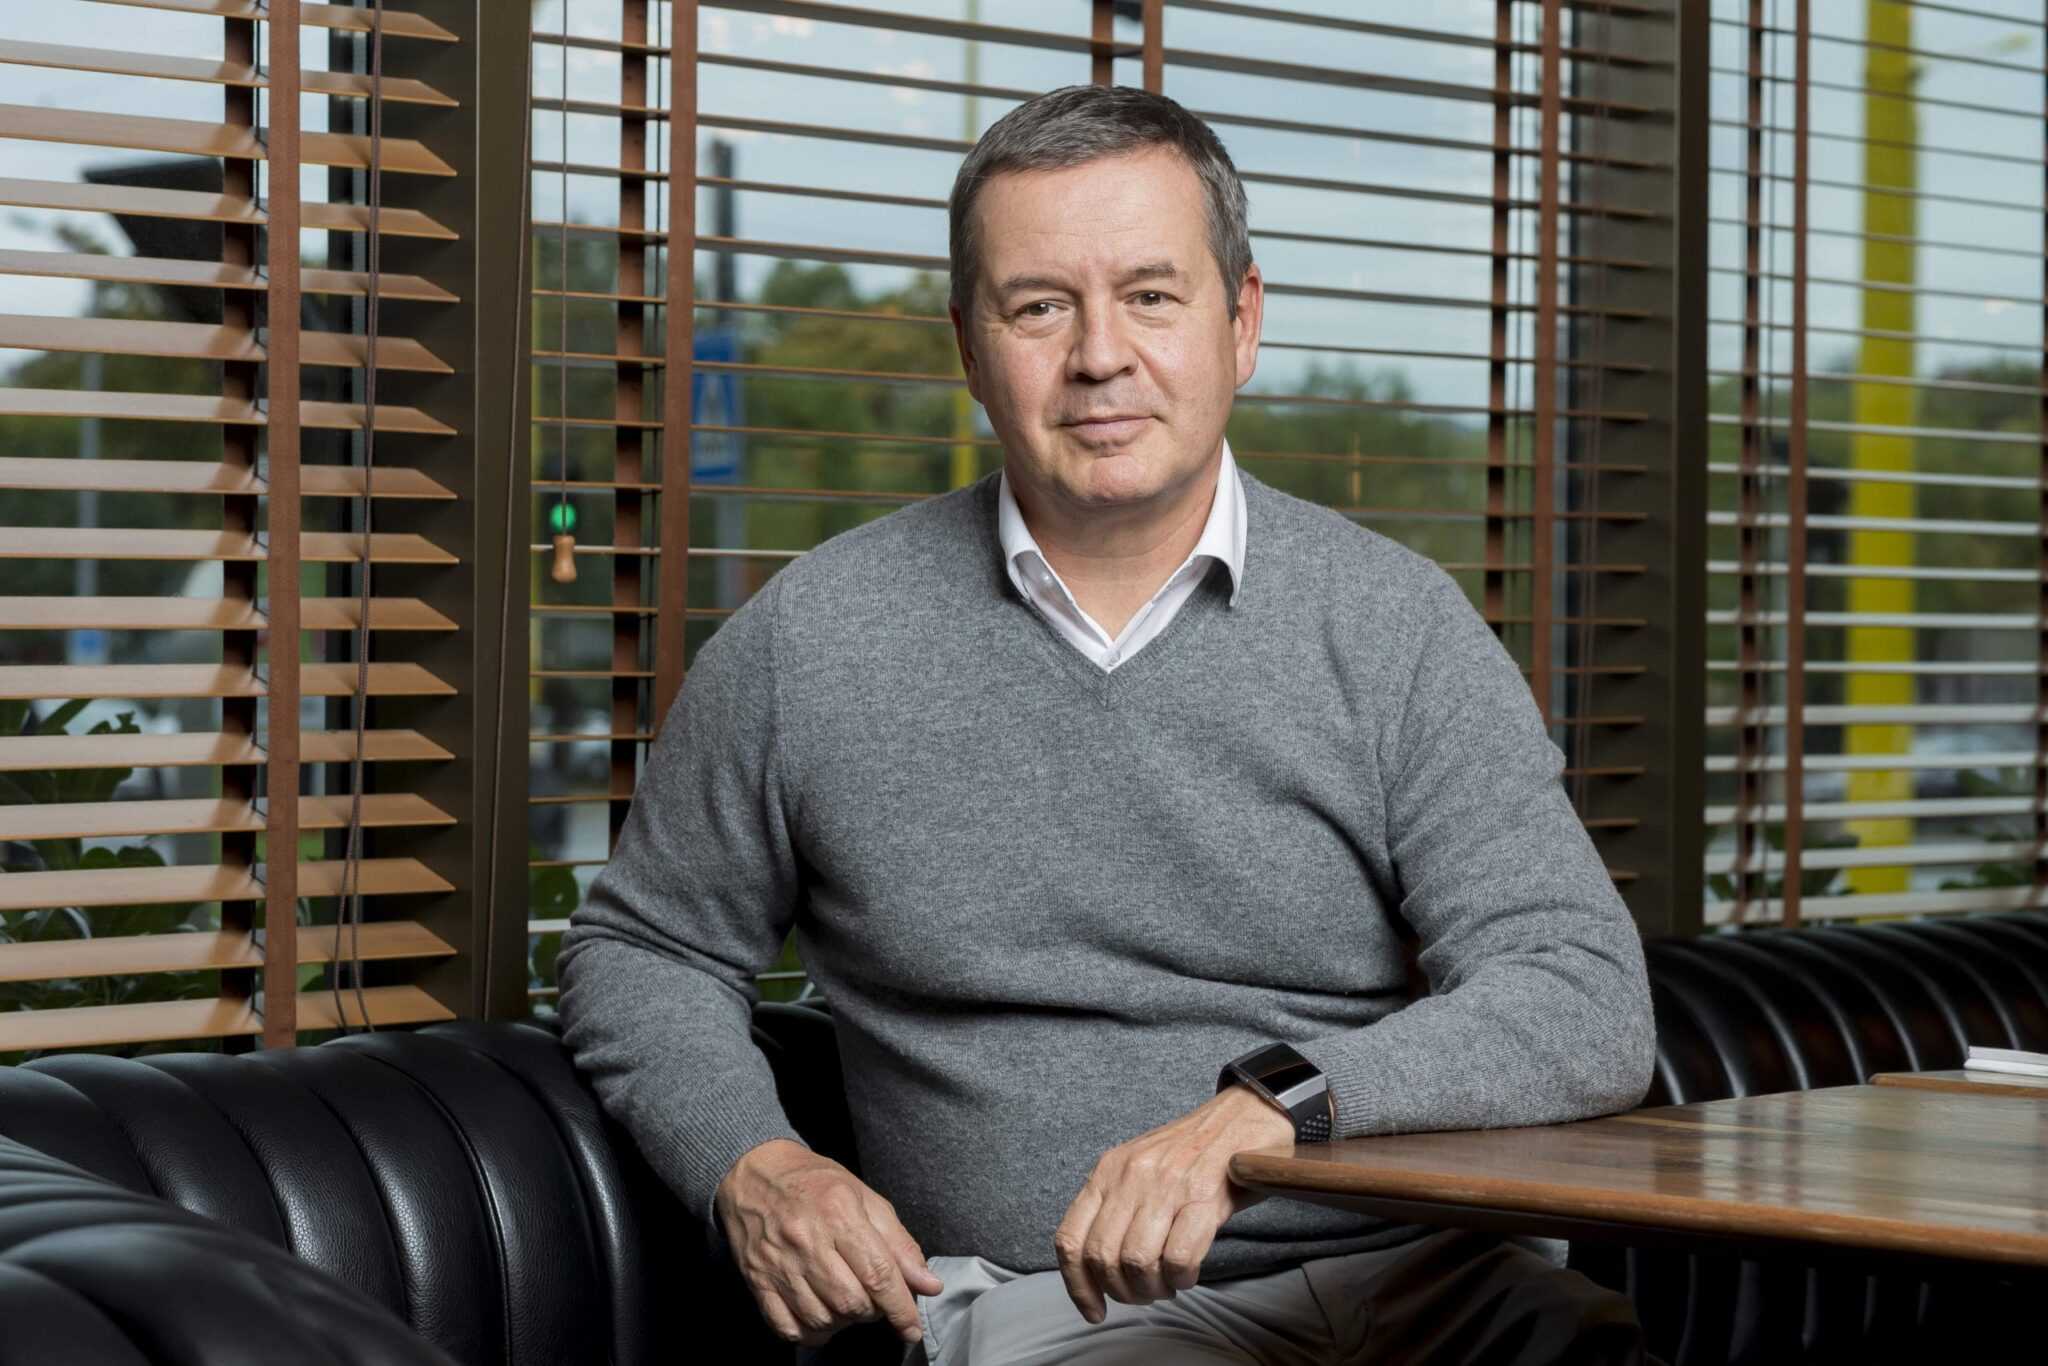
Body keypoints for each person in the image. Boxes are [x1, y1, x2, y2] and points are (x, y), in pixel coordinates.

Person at [558, 83, 1658, 1366]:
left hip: (1428, 1283)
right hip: (1056, 1315)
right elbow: (643, 950)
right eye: (1038, 306)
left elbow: (1578, 993)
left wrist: (1269, 1108)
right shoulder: (810, 640)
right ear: (969, 348)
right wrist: (753, 1165)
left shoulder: (1396, 627)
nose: (1098, 356)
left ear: (1240, 322)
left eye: (1149, 295)